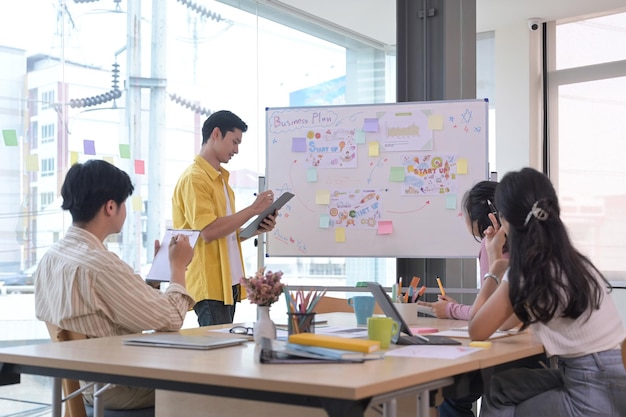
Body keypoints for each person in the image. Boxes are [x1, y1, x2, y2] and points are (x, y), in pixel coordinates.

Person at [34, 159, 195, 410]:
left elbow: (122, 314)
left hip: (83, 386)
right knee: (216, 389)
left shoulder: (51, 258)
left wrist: (154, 279)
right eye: (123, 204)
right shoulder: (100, 265)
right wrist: (178, 268)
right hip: (115, 388)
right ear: (110, 207)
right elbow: (172, 317)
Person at [469, 167, 626, 416]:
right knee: (500, 387)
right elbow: (509, 321)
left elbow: (476, 329)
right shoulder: (575, 262)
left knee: (510, 406)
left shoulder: (527, 271)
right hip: (614, 379)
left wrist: (493, 267)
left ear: (506, 222)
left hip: (590, 391)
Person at [172, 110, 277, 327]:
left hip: (227, 283)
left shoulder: (222, 181)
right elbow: (208, 231)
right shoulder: (195, 178)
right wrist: (253, 210)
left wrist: (255, 228)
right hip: (210, 284)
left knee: (224, 355)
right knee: (218, 357)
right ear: (216, 134)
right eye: (234, 142)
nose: (237, 150)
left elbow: (224, 233)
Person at [418, 181, 514, 417]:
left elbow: (489, 316)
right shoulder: (525, 244)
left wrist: (451, 309)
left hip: (505, 358)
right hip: (528, 354)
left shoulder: (491, 246)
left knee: (452, 393)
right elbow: (496, 309)